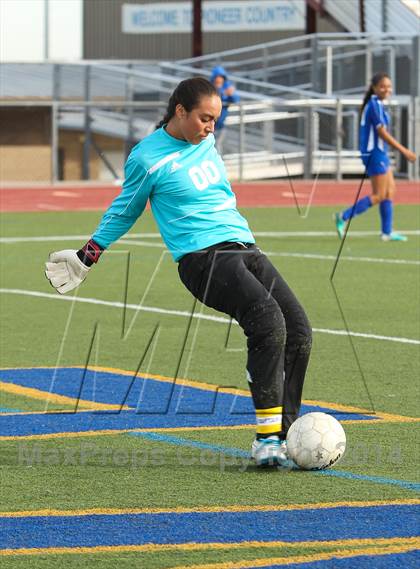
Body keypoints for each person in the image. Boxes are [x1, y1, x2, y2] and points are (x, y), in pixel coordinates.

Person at [45, 77, 312, 468]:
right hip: (202, 259)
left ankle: (285, 432)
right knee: (267, 322)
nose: (211, 127)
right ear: (180, 111)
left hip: (244, 247)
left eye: (216, 120)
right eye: (205, 118)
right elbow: (125, 210)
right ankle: (266, 439)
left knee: (300, 332)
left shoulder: (205, 141)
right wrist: (89, 254)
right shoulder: (147, 157)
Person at [335, 72, 417, 242]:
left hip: (380, 153)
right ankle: (343, 216)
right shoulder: (374, 104)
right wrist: (404, 151)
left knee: (389, 192)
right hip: (375, 154)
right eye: (382, 86)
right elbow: (381, 132)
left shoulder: (377, 104)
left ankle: (386, 232)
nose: (386, 89)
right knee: (379, 194)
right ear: (374, 88)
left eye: (388, 86)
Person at [210, 66, 240, 153]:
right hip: (208, 125)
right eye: (217, 78)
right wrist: (223, 93)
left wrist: (230, 94)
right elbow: (213, 98)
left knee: (217, 146)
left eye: (221, 78)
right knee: (208, 147)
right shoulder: (210, 87)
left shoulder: (226, 86)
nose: (219, 80)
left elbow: (235, 99)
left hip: (220, 125)